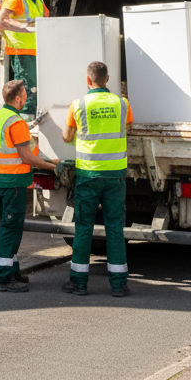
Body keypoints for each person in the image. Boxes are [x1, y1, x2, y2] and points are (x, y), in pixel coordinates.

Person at [62, 61, 132, 297]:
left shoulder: (78, 104)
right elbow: (126, 129)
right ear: (108, 78)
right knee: (115, 228)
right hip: (115, 177)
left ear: (88, 80)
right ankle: (119, 285)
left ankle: (79, 283)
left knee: (83, 229)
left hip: (88, 175)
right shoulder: (122, 104)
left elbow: (66, 137)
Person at [0, 78, 60, 292]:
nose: (27, 97)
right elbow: (27, 158)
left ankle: (12, 271)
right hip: (13, 182)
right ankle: (2, 279)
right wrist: (51, 166)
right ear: (18, 98)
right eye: (25, 94)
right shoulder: (16, 122)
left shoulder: (0, 116)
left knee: (11, 227)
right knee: (9, 229)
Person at [0, 0, 50, 116]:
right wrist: (23, 28)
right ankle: (26, 126)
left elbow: (45, 20)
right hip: (22, 53)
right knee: (28, 93)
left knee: (35, 91)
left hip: (35, 52)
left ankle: (30, 124)